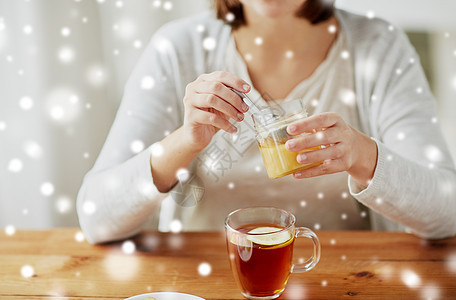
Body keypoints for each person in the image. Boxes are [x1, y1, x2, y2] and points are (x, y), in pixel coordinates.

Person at [77, 0, 456, 244]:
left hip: (346, 279)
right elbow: (97, 219)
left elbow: (447, 211)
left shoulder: (379, 46)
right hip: (208, 279)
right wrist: (185, 140)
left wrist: (362, 156)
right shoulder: (178, 48)